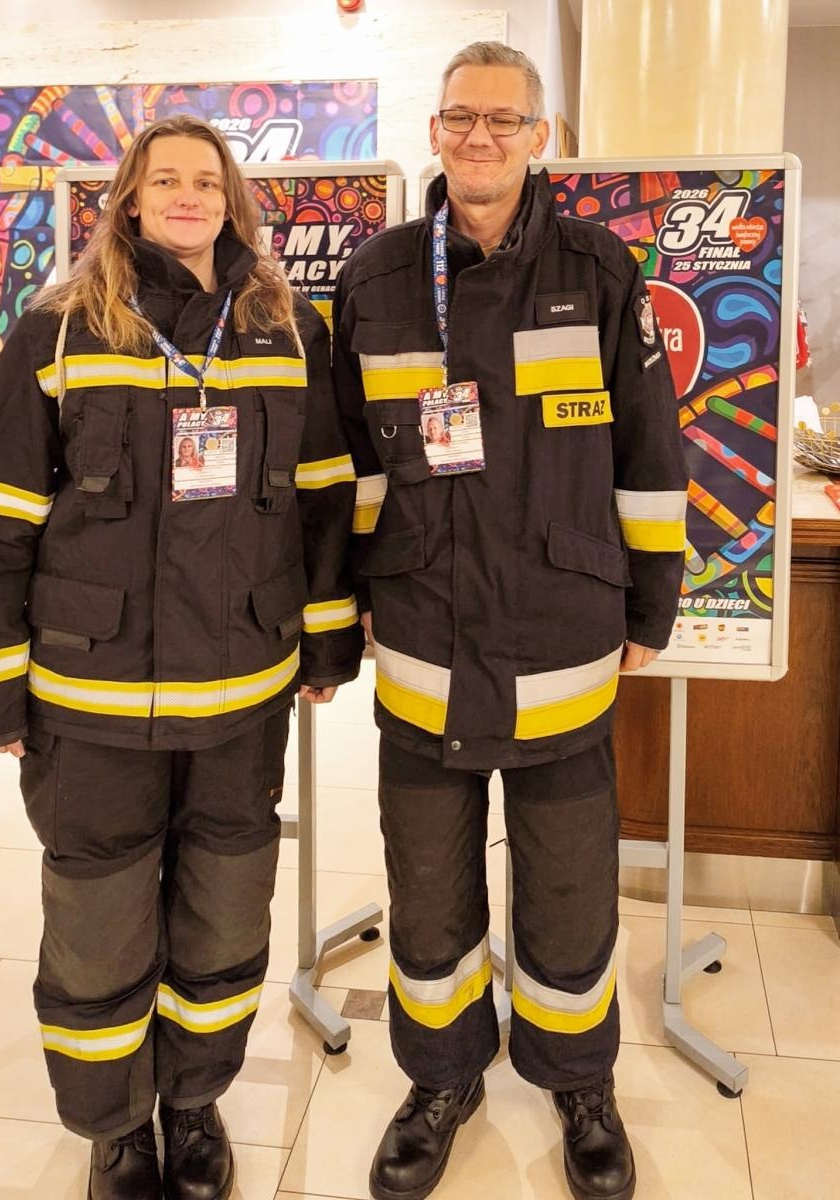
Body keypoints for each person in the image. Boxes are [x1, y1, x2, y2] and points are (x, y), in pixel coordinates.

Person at [0, 114, 364, 1200]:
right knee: (98, 920)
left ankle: (195, 1101)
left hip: (243, 689)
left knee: (226, 909)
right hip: (90, 697)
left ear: (232, 202)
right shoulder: (56, 331)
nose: (186, 196)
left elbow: (320, 501)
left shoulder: (285, 332)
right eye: (163, 180)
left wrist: (323, 638)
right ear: (126, 200)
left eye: (206, 181)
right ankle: (115, 1126)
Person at [333, 42, 687, 1200]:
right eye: (458, 118)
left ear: (544, 135)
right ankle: (441, 1078)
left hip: (560, 637)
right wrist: (339, 618)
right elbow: (344, 469)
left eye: (503, 119)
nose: (479, 137)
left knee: (572, 882)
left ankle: (580, 1079)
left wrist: (653, 598)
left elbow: (647, 453)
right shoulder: (380, 277)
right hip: (427, 641)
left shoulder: (599, 268)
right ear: (433, 132)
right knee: (426, 886)